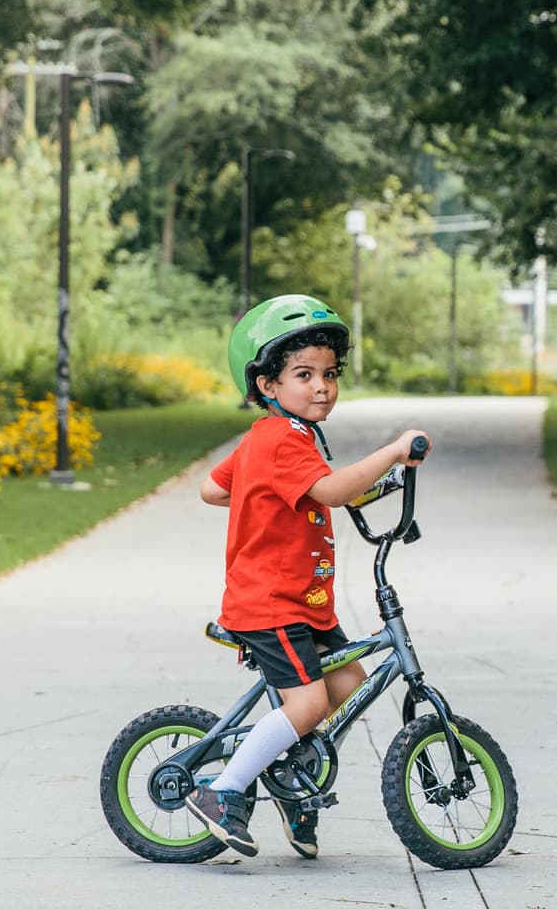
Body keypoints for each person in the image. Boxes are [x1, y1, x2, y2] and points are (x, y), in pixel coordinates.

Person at [185, 294, 430, 859]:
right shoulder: (277, 439)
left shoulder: (282, 438)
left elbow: (214, 489)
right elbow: (332, 490)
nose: (321, 386)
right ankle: (220, 791)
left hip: (306, 603)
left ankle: (293, 782)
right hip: (272, 604)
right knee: (308, 705)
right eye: (303, 375)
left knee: (347, 687)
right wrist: (393, 452)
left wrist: (267, 500)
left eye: (329, 374)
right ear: (267, 385)